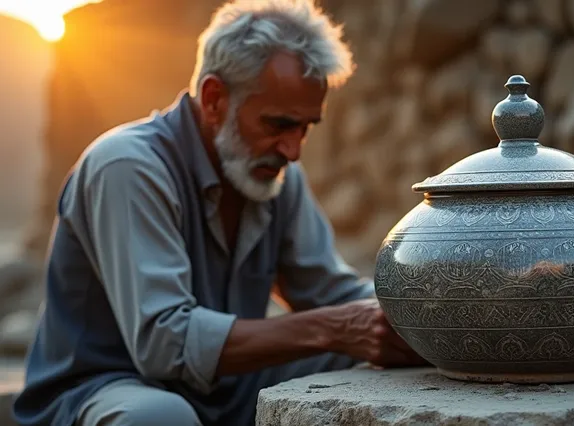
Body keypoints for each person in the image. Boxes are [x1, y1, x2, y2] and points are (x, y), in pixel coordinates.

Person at [12, 1, 426, 425]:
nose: (293, 150)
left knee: (385, 367)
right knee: (158, 416)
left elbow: (330, 294)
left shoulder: (275, 174)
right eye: (278, 124)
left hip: (227, 388)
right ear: (213, 99)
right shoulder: (127, 166)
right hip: (104, 388)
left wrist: (426, 317)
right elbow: (164, 344)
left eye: (305, 128)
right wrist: (334, 329)